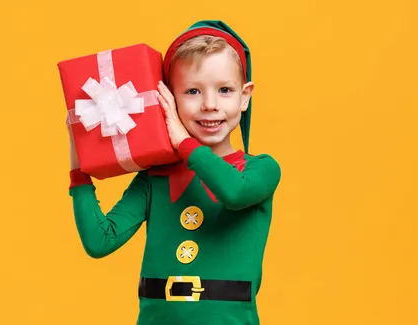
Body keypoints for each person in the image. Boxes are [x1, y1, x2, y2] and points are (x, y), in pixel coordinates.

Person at [66, 20, 282, 325]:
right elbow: (100, 241)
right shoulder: (155, 177)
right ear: (167, 98)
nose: (209, 105)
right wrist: (80, 163)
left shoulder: (261, 169)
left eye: (224, 90)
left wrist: (182, 142)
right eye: (192, 91)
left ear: (244, 96)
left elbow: (234, 192)